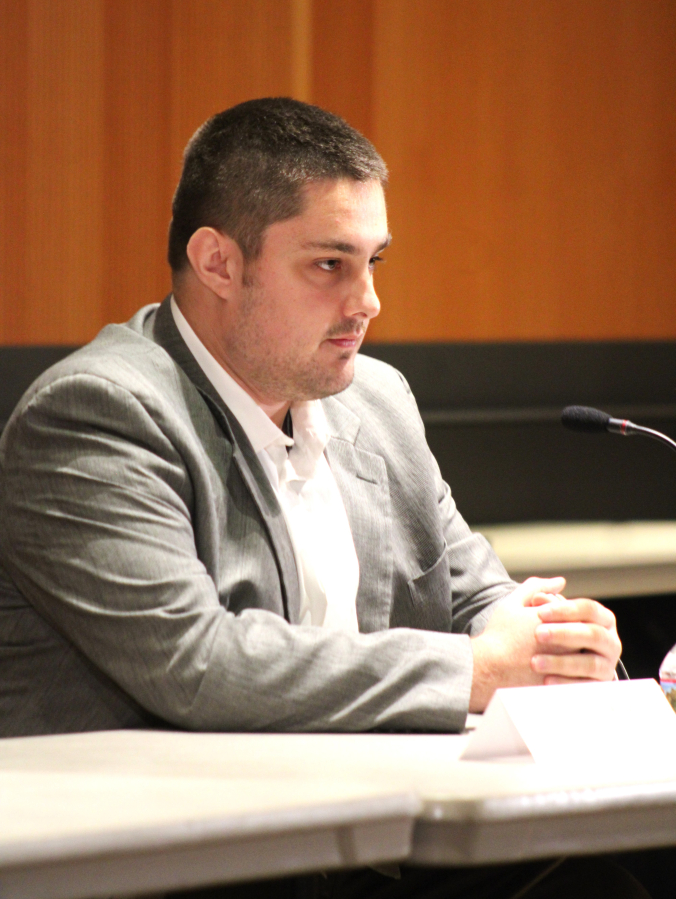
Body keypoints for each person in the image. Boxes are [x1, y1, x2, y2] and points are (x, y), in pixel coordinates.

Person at [0, 98, 646, 897]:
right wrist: (476, 671)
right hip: (180, 862)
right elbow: (198, 664)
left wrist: (558, 643)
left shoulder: (374, 400)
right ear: (218, 263)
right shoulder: (99, 413)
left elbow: (477, 591)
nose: (368, 300)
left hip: (354, 839)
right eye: (330, 263)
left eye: (375, 260)